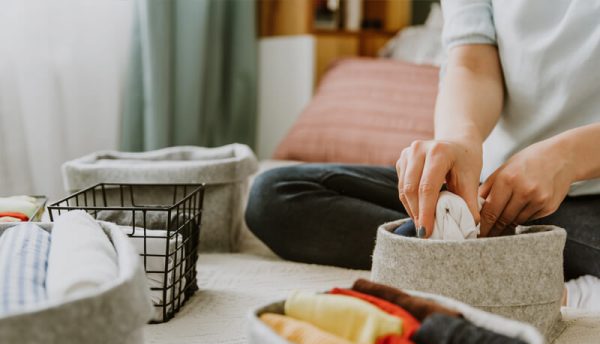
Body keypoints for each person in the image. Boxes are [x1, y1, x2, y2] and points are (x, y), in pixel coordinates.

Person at [246, 0, 600, 281]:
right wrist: (459, 140)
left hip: (591, 196)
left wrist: (569, 156)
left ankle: (444, 260)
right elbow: (473, 64)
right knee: (275, 195)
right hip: (490, 191)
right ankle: (484, 262)